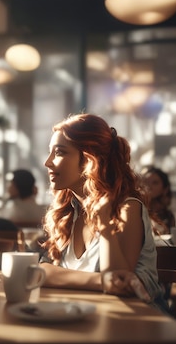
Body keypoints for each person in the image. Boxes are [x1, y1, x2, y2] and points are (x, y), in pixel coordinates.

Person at [39, 114, 163, 305]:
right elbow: (43, 271)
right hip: (82, 318)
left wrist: (105, 227)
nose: (47, 162)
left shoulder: (127, 209)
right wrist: (101, 282)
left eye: (59, 152)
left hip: (135, 325)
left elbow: (118, 285)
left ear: (90, 159)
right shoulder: (68, 211)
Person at [140, 166, 175, 235]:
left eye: (155, 183)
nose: (149, 186)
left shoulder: (168, 216)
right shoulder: (137, 210)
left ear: (165, 189)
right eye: (145, 182)